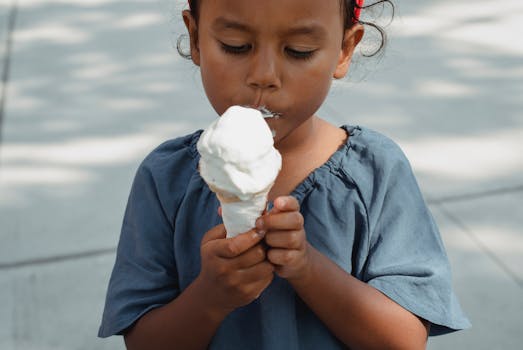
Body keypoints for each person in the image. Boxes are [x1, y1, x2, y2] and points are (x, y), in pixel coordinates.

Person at [99, 0, 470, 349]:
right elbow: (142, 342)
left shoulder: (375, 172)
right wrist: (211, 297)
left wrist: (307, 267)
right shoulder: (166, 180)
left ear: (344, 49)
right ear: (196, 38)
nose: (264, 77)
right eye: (236, 45)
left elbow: (405, 340)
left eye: (299, 51)